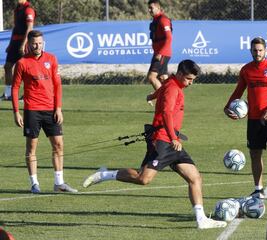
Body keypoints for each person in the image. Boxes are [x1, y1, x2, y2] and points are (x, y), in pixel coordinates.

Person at [83, 60, 227, 230]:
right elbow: (166, 113)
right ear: (180, 74)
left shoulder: (171, 83)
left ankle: (201, 219)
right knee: (143, 179)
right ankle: (104, 175)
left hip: (173, 142)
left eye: (193, 80)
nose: (191, 83)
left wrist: (151, 96)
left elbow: (161, 89)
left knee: (195, 177)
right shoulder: (173, 88)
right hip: (163, 141)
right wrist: (173, 138)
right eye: (189, 79)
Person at [11, 30, 77, 194]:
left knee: (58, 145)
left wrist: (58, 108)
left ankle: (59, 183)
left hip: (51, 109)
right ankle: (34, 184)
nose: (37, 46)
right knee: (32, 148)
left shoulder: (51, 59)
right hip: (32, 110)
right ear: (29, 44)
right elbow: (15, 88)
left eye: (40, 43)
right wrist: (16, 112)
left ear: (43, 43)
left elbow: (57, 85)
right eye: (34, 43)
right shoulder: (22, 63)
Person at [224, 37, 267, 201]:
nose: (257, 53)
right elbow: (238, 91)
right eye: (255, 50)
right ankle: (258, 189)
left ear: (265, 50)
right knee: (255, 154)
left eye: (260, 50)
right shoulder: (246, 70)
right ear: (250, 51)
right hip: (253, 119)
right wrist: (227, 107)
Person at [1, 0, 35, 101]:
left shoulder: (29, 10)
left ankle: (27, 95)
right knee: (7, 66)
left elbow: (30, 28)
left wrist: (24, 44)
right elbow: (15, 28)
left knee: (27, 70)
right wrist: (10, 44)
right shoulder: (17, 10)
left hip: (24, 42)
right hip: (15, 43)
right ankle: (8, 94)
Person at [147, 0, 172, 91]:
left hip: (162, 54)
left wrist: (160, 53)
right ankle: (174, 97)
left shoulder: (163, 20)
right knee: (163, 78)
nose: (149, 10)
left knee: (151, 77)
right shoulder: (156, 20)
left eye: (151, 8)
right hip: (159, 53)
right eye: (148, 8)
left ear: (158, 8)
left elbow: (169, 38)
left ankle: (163, 98)